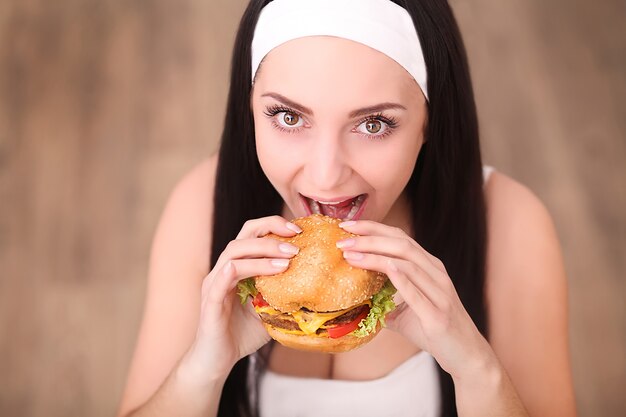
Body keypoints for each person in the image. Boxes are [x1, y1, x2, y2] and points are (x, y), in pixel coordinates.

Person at [117, 0, 578, 416]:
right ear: (250, 110)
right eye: (288, 117)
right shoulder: (203, 203)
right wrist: (202, 368)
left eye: (373, 124)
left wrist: (477, 370)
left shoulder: (510, 223)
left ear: (429, 121)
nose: (325, 177)